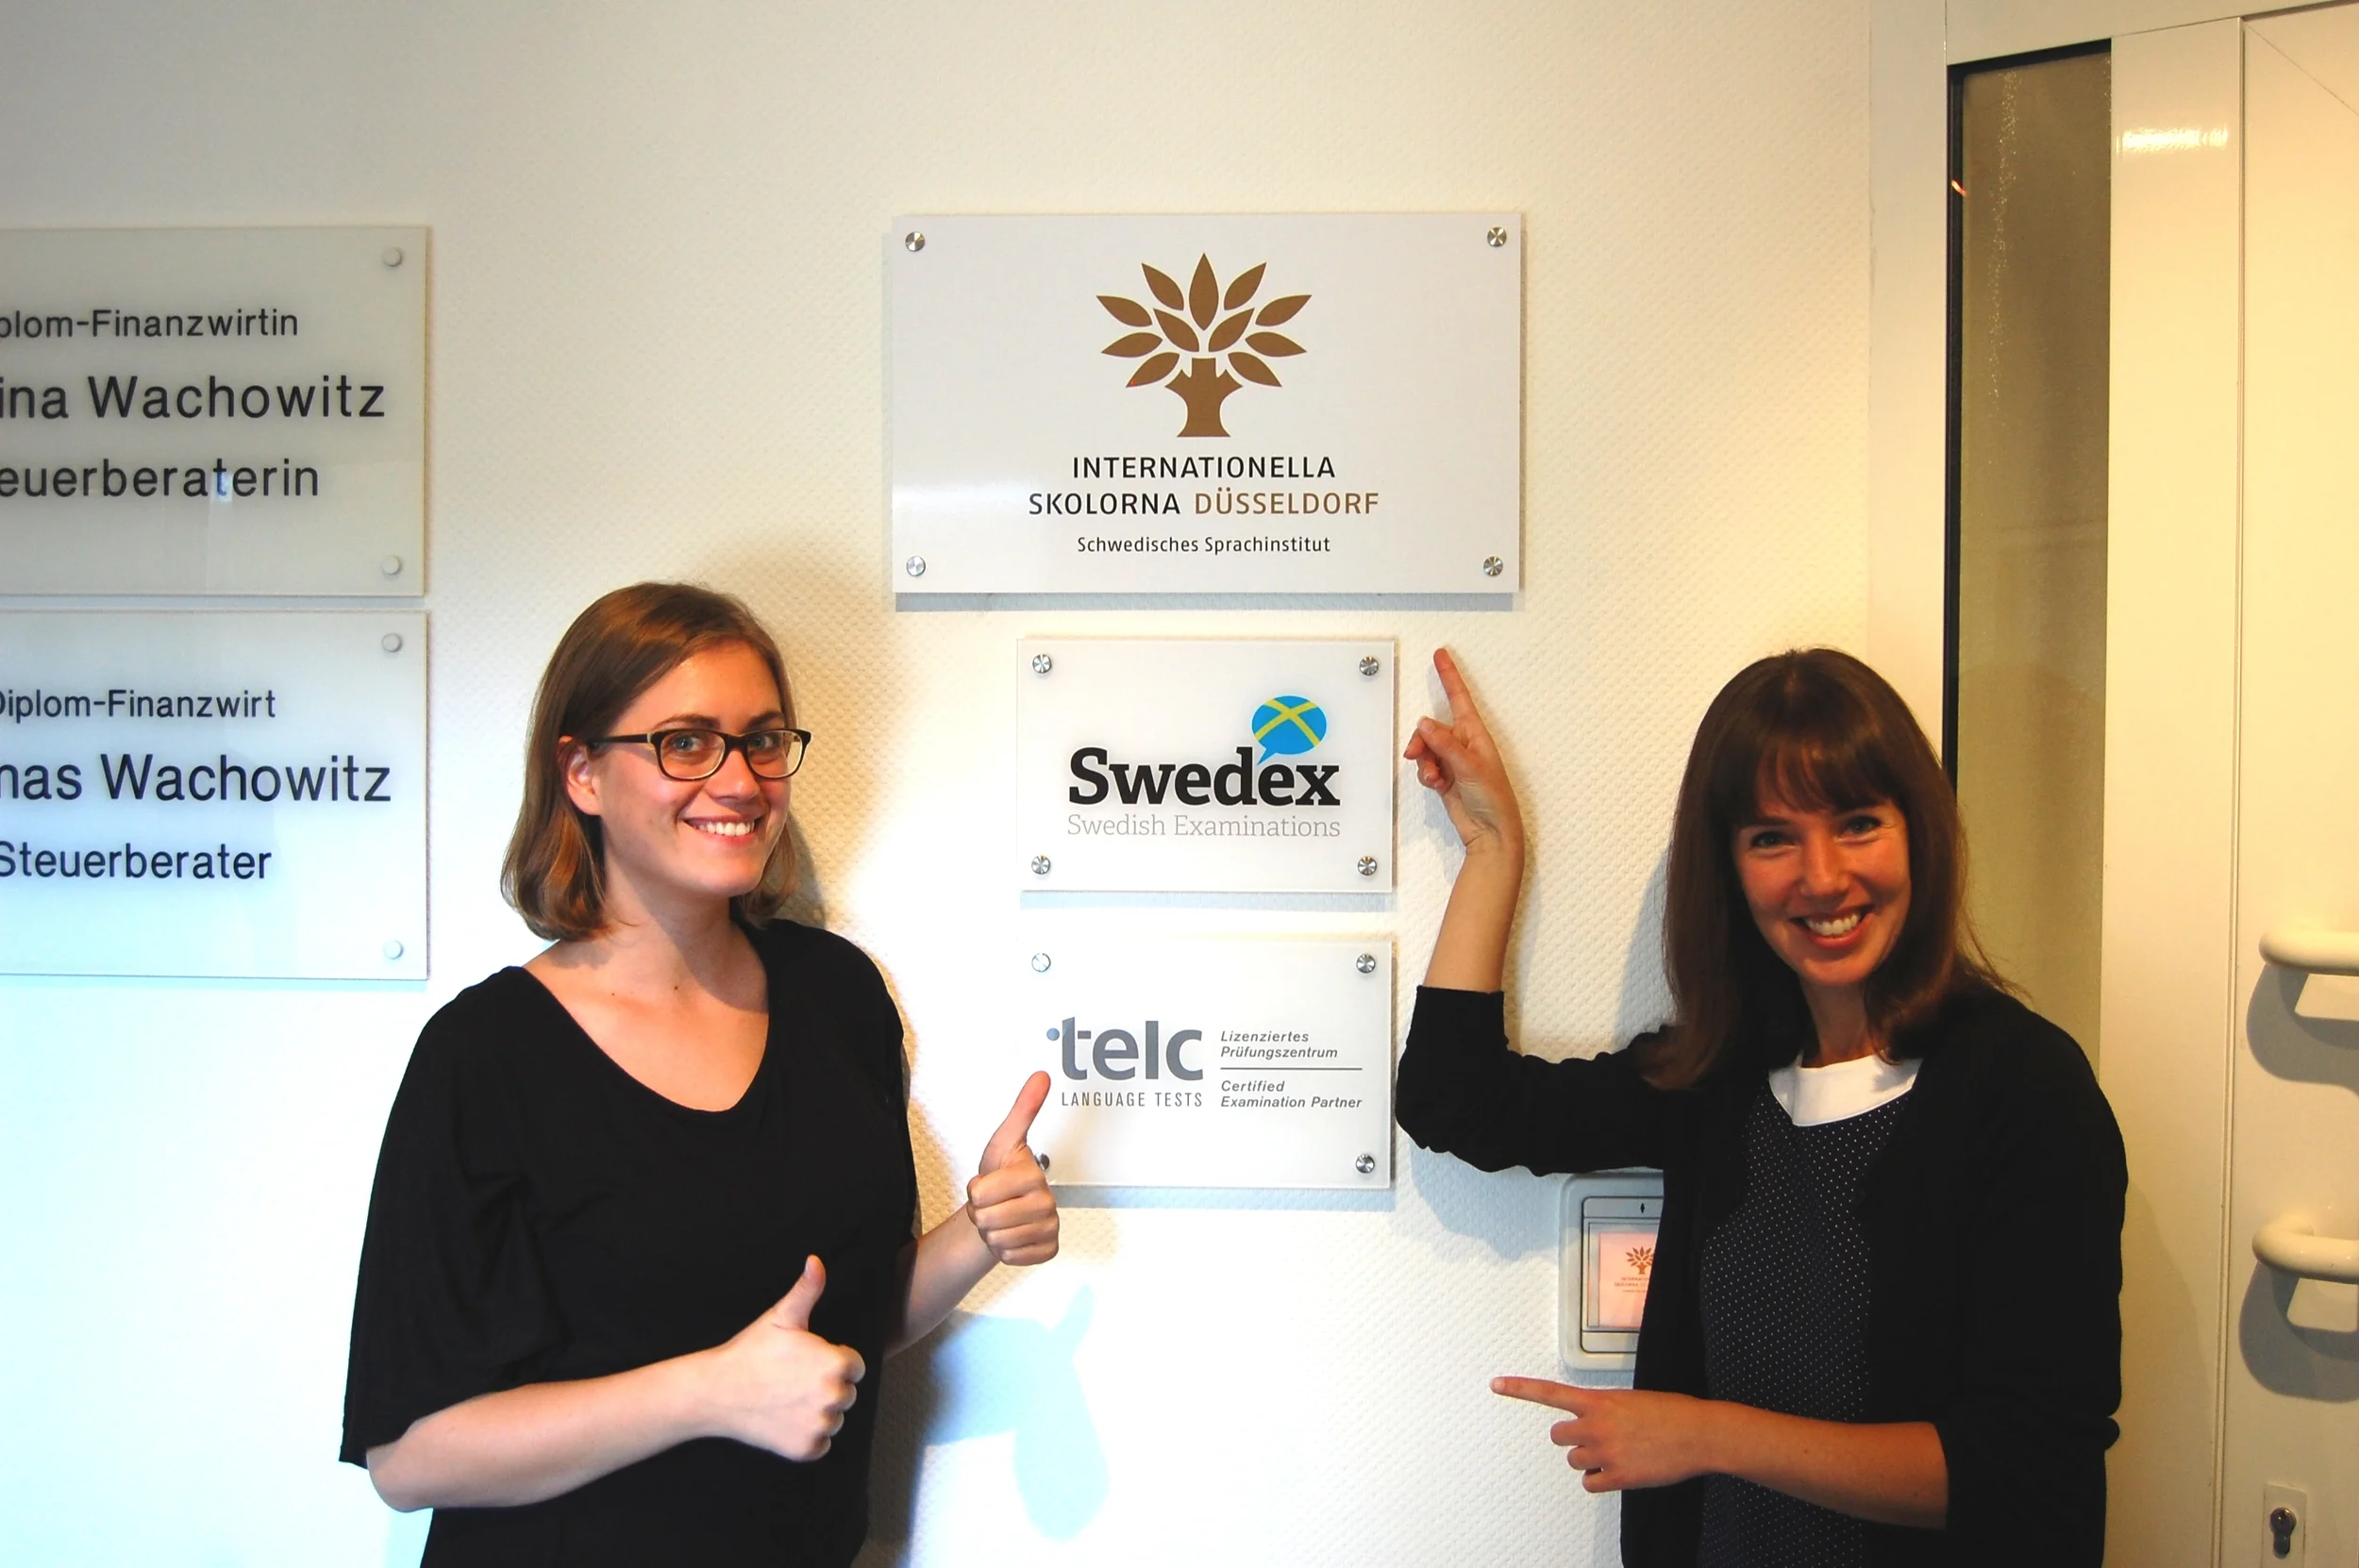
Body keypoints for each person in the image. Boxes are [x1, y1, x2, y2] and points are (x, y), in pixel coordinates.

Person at [340, 583, 1059, 1566]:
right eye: (685, 742)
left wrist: (979, 1234)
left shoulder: (836, 995)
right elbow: (411, 1456)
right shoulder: (484, 1055)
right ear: (582, 772)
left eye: (761, 740)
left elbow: (842, 1322)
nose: (739, 780)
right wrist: (708, 1394)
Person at [1394, 646, 2125, 1567]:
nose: (1822, 876)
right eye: (1773, 838)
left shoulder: (2024, 1088)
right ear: (1729, 867)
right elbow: (1455, 1101)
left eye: (1858, 823)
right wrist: (1495, 849)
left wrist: (1706, 1436)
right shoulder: (1719, 1078)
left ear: (1919, 834)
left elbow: (2029, 1472)